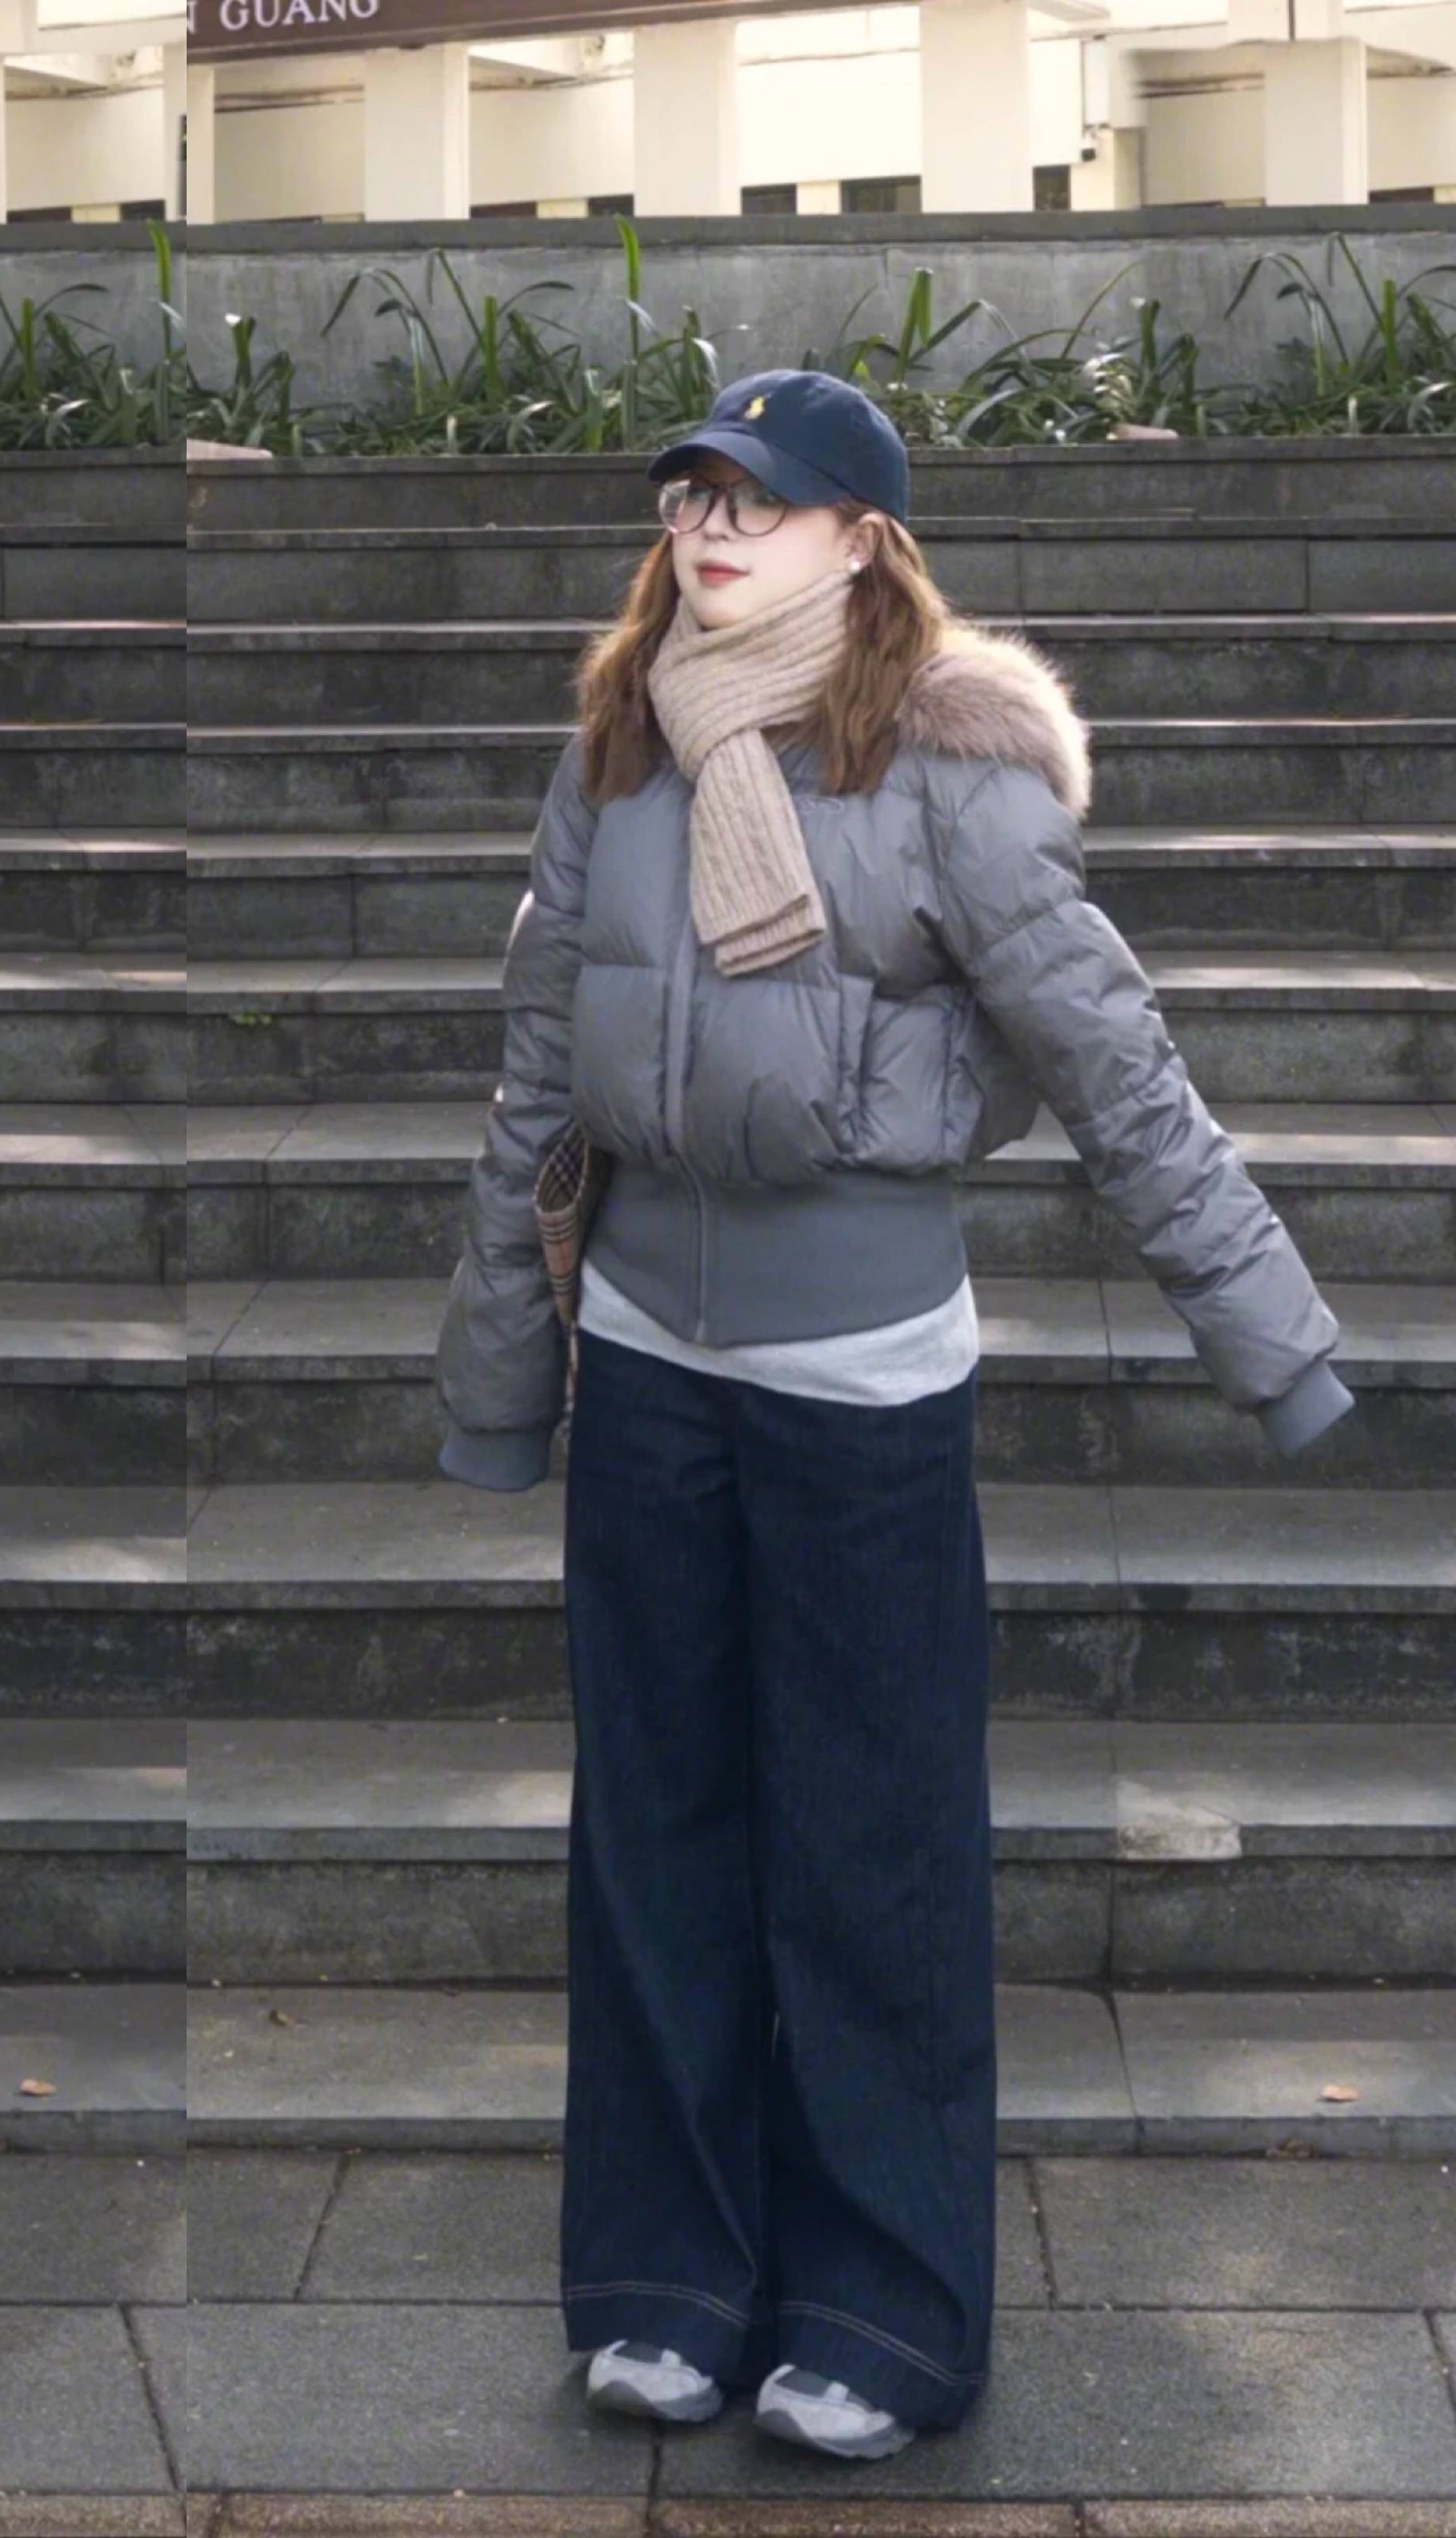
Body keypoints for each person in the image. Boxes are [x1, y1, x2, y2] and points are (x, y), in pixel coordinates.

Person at [432, 368, 1353, 2463]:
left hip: (860, 1386)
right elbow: (538, 1078)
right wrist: (502, 1372)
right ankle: (667, 2281)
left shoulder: (953, 768)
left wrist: (1274, 1338)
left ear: (865, 538)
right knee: (655, 1839)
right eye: (690, 494)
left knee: (874, 1851)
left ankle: (882, 2309)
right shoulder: (620, 747)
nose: (709, 528)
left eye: (757, 500)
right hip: (647, 1362)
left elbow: (1117, 1065)